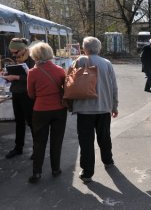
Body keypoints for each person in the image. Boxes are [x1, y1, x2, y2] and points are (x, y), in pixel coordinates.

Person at [72, 36, 118, 183]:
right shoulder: (107, 63)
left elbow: (70, 81)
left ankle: (87, 172)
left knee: (86, 141)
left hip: (84, 109)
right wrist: (114, 105)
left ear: (84, 48)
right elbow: (113, 87)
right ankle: (108, 160)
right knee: (104, 136)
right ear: (99, 48)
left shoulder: (79, 61)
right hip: (104, 107)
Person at [27, 42, 67, 183]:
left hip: (40, 110)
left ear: (35, 56)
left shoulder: (32, 72)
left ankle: (37, 172)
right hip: (59, 109)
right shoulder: (60, 70)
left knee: (39, 142)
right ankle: (55, 169)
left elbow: (31, 94)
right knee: (57, 141)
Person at [3, 38, 35, 159]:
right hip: (16, 93)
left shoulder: (32, 60)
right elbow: (14, 75)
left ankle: (36, 148)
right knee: (19, 122)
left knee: (31, 122)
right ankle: (18, 147)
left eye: (16, 52)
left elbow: (33, 78)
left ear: (23, 49)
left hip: (27, 95)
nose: (13, 54)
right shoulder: (17, 59)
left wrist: (16, 77)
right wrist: (6, 76)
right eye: (12, 52)